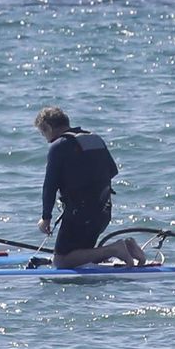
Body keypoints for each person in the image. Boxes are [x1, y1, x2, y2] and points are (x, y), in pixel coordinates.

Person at [34, 106, 146, 268]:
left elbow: (49, 186)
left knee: (61, 262)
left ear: (48, 128)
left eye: (43, 134)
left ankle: (115, 249)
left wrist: (46, 218)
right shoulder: (94, 139)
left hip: (80, 214)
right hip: (103, 210)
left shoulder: (58, 146)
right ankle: (128, 247)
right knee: (82, 255)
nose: (46, 139)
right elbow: (112, 171)